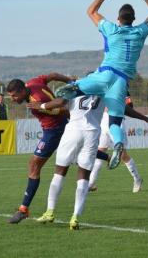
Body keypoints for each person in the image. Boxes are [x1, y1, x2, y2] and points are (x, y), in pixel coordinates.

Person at [61, 0, 148, 171]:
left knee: (75, 88)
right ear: (134, 19)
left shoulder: (111, 29)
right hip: (121, 82)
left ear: (118, 18)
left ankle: (73, 88)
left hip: (104, 75)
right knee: (115, 120)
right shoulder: (140, 31)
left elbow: (90, 11)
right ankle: (118, 143)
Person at [29, 93, 105, 230]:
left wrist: (41, 105)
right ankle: (75, 217)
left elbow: (59, 103)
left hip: (74, 131)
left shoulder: (76, 90)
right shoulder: (103, 94)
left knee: (60, 171)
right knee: (84, 175)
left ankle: (50, 211)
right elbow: (123, 108)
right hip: (92, 133)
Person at [6, 73, 73, 224]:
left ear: (23, 91)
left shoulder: (37, 101)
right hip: (53, 128)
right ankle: (106, 157)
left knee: (34, 165)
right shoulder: (33, 82)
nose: (13, 99)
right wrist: (70, 81)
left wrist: (74, 115)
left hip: (54, 130)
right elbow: (53, 75)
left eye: (14, 96)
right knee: (79, 156)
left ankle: (24, 209)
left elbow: (61, 109)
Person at [88, 95, 148, 193]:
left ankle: (137, 179)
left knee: (123, 155)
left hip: (116, 121)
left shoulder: (121, 87)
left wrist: (120, 104)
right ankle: (91, 183)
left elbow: (129, 106)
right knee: (100, 152)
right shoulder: (101, 86)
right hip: (103, 121)